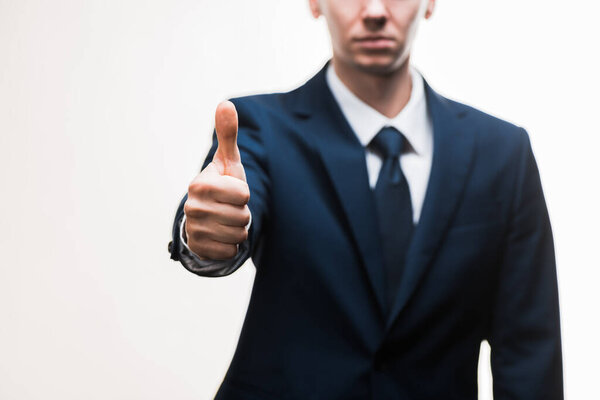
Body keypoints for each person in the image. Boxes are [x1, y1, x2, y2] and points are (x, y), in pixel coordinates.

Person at [168, 0, 564, 398]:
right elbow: (227, 208)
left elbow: (529, 353)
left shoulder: (502, 153)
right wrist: (204, 235)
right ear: (314, 4)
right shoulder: (258, 128)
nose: (375, 10)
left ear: (430, 4)